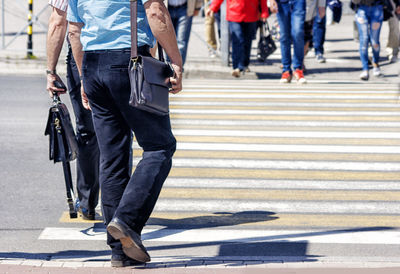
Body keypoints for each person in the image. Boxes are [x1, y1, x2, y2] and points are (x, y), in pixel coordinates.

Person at [67, 0, 182, 267]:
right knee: (159, 147)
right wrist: (176, 62)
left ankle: (120, 252)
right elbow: (155, 11)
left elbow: (74, 30)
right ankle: (127, 221)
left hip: (93, 65)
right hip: (129, 62)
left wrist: (85, 77)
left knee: (112, 158)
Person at [46, 0, 100, 220]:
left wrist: (51, 71)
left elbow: (58, 23)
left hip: (82, 57)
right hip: (122, 55)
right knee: (120, 132)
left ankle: (87, 203)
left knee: (87, 130)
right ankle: (120, 207)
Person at [207, 0, 269, 78]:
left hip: (251, 13)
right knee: (238, 39)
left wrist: (264, 12)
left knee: (247, 41)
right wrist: (213, 7)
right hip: (234, 12)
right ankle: (237, 67)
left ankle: (245, 64)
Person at [269, 0, 307, 84]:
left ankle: (298, 69)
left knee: (298, 33)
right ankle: (286, 71)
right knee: (284, 36)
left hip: (298, 2)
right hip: (282, 3)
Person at [351, 0, 384, 80]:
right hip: (362, 9)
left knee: (374, 41)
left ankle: (375, 63)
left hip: (377, 8)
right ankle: (365, 69)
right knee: (364, 40)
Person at [167, 0, 203, 66]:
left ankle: (179, 69)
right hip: (166, 8)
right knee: (167, 42)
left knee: (181, 42)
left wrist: (197, 6)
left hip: (185, 8)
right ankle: (168, 68)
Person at [304, 0, 326, 70]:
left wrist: (321, 5)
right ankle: (287, 61)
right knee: (292, 32)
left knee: (317, 24)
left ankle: (300, 62)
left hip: (310, 6)